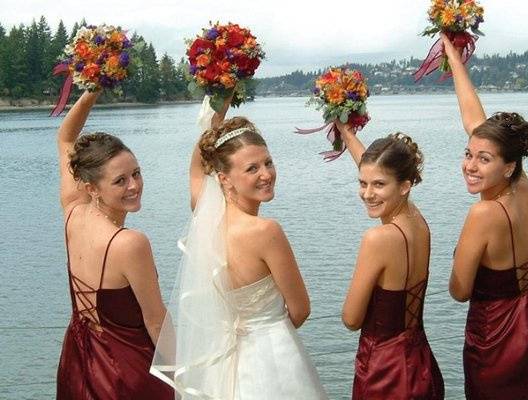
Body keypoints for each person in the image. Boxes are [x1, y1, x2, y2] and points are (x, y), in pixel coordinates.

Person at [150, 97, 328, 399]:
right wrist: (270, 333)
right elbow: (300, 310)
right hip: (273, 355)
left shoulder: (205, 219)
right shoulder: (265, 231)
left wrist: (219, 102)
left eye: (268, 162)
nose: (266, 174)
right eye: (252, 168)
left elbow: (195, 172)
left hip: (222, 362)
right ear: (224, 178)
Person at [442, 34, 528, 399]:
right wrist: (454, 59)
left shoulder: (484, 214)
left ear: (507, 165)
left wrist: (459, 257)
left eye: (483, 159)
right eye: (469, 154)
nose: (470, 166)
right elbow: (474, 121)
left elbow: (459, 290)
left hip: (499, 334)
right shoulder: (521, 182)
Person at [55, 91, 173, 399]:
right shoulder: (130, 243)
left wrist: (93, 88)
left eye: (136, 173)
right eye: (120, 181)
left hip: (79, 364)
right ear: (92, 187)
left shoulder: (73, 213)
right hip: (128, 372)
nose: (134, 185)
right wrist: (183, 381)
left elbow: (66, 138)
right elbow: (156, 321)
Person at [335, 121, 444, 400]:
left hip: (385, 372)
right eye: (362, 183)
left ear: (405, 186)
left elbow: (351, 318)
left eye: (378, 185)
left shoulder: (379, 239)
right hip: (421, 363)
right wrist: (348, 135)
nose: (368, 194)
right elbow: (376, 167)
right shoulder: (417, 221)